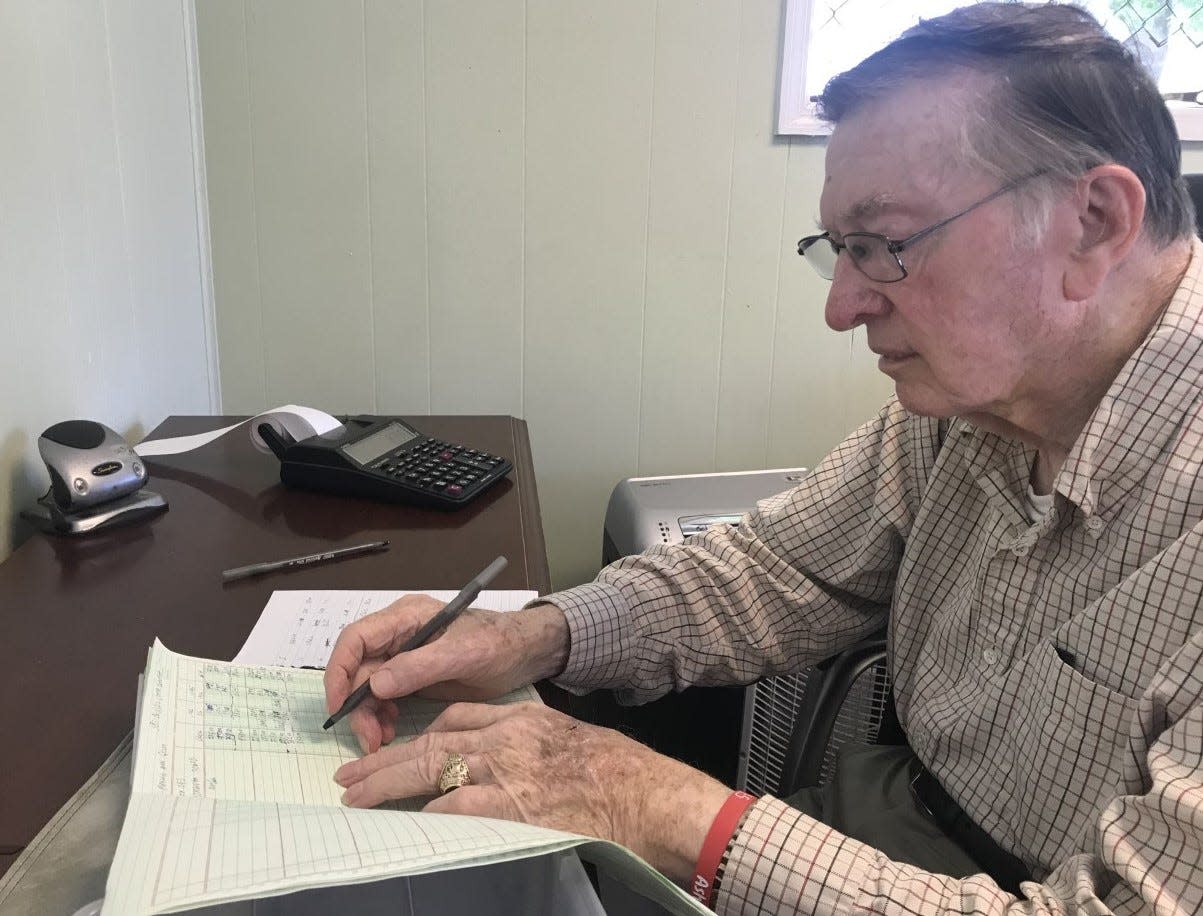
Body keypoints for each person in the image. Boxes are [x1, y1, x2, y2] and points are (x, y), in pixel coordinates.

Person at [325, 4, 1203, 913]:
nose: (843, 307)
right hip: (896, 814)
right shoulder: (973, 403)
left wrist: (665, 808)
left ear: (1093, 222)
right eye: (840, 252)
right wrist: (529, 637)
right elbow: (771, 571)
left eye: (885, 245)